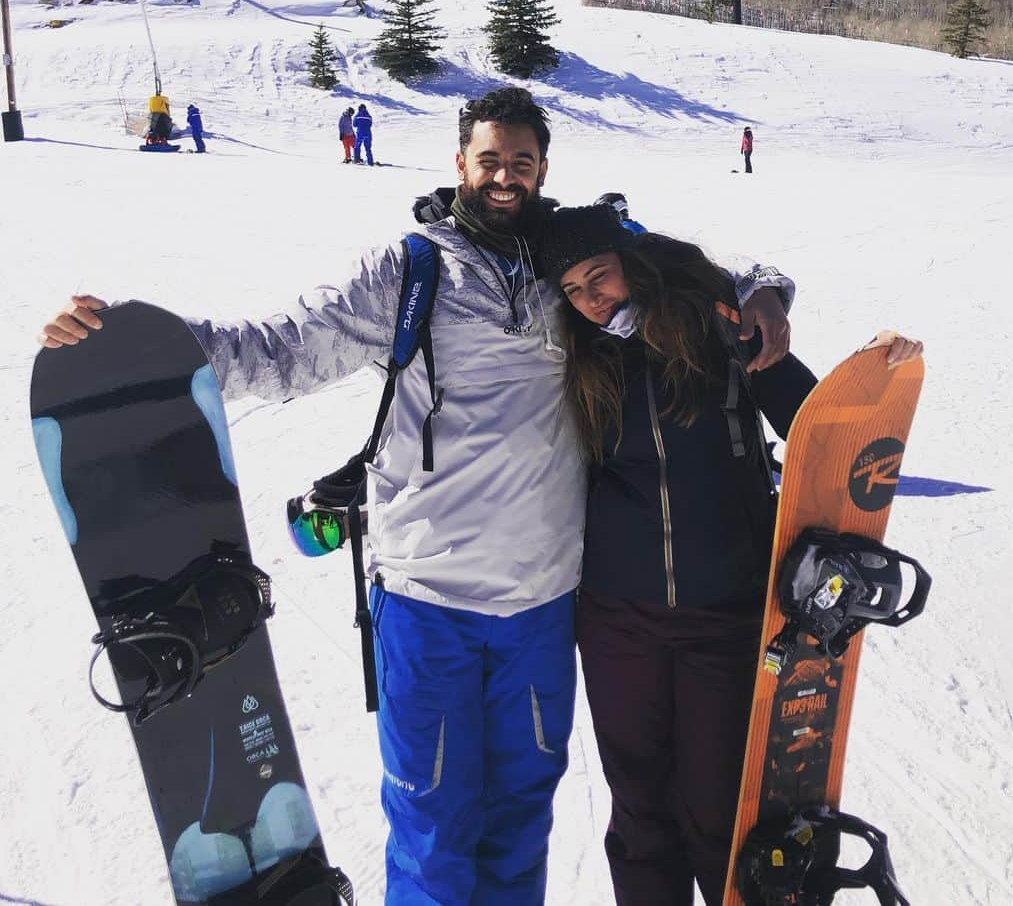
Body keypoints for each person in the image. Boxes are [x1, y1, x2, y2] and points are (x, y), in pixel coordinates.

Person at [38, 87, 796, 906]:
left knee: (518, 822)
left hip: (543, 606)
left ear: (543, 169)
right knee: (435, 825)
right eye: (489, 160)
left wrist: (763, 293)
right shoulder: (409, 271)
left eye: (522, 162)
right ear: (460, 163)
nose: (505, 177)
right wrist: (143, 345)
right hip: (429, 601)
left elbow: (688, 268)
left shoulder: (564, 258)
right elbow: (287, 348)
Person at [541, 204, 922, 906]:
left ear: (631, 261)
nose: (591, 298)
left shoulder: (717, 331)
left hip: (725, 613)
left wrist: (878, 372)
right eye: (573, 290)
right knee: (639, 810)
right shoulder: (577, 356)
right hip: (616, 617)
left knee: (720, 810)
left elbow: (818, 427)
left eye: (599, 276)